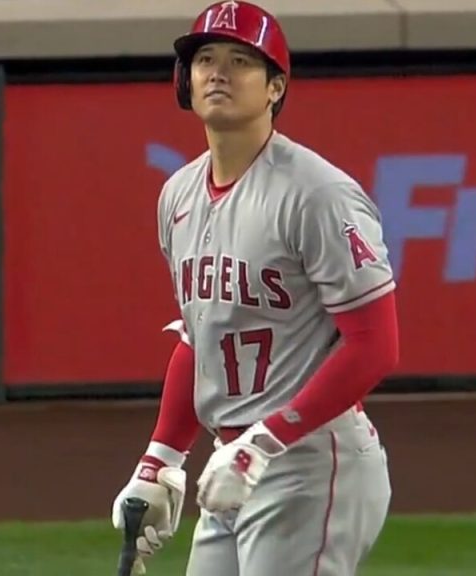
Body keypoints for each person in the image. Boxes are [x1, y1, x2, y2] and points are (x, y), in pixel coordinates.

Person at [111, 1, 400, 574]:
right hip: (232, 461)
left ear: (275, 87)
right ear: (184, 82)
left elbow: (375, 345)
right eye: (206, 59)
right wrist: (160, 458)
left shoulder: (317, 194)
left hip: (312, 458)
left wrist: (265, 442)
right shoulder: (179, 195)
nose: (218, 72)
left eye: (241, 61)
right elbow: (200, 339)